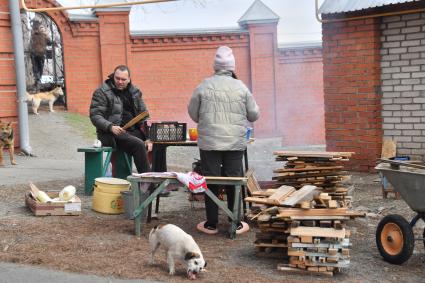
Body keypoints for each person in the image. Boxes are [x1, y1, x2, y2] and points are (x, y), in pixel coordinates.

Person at [188, 46, 260, 235]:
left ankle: (211, 224)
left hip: (209, 143)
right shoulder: (241, 87)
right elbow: (254, 114)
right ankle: (234, 222)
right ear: (232, 67)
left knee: (211, 181)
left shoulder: (204, 85)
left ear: (215, 67)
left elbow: (193, 114)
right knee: (233, 180)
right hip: (235, 144)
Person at [89, 65, 150, 174]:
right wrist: (110, 126)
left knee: (159, 143)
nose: (120, 82)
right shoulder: (102, 92)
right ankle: (148, 184)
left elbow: (144, 116)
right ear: (113, 77)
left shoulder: (134, 92)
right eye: (117, 78)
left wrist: (149, 137)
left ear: (129, 79)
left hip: (133, 132)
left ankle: (160, 180)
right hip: (111, 134)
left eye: (123, 79)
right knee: (139, 144)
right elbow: (95, 116)